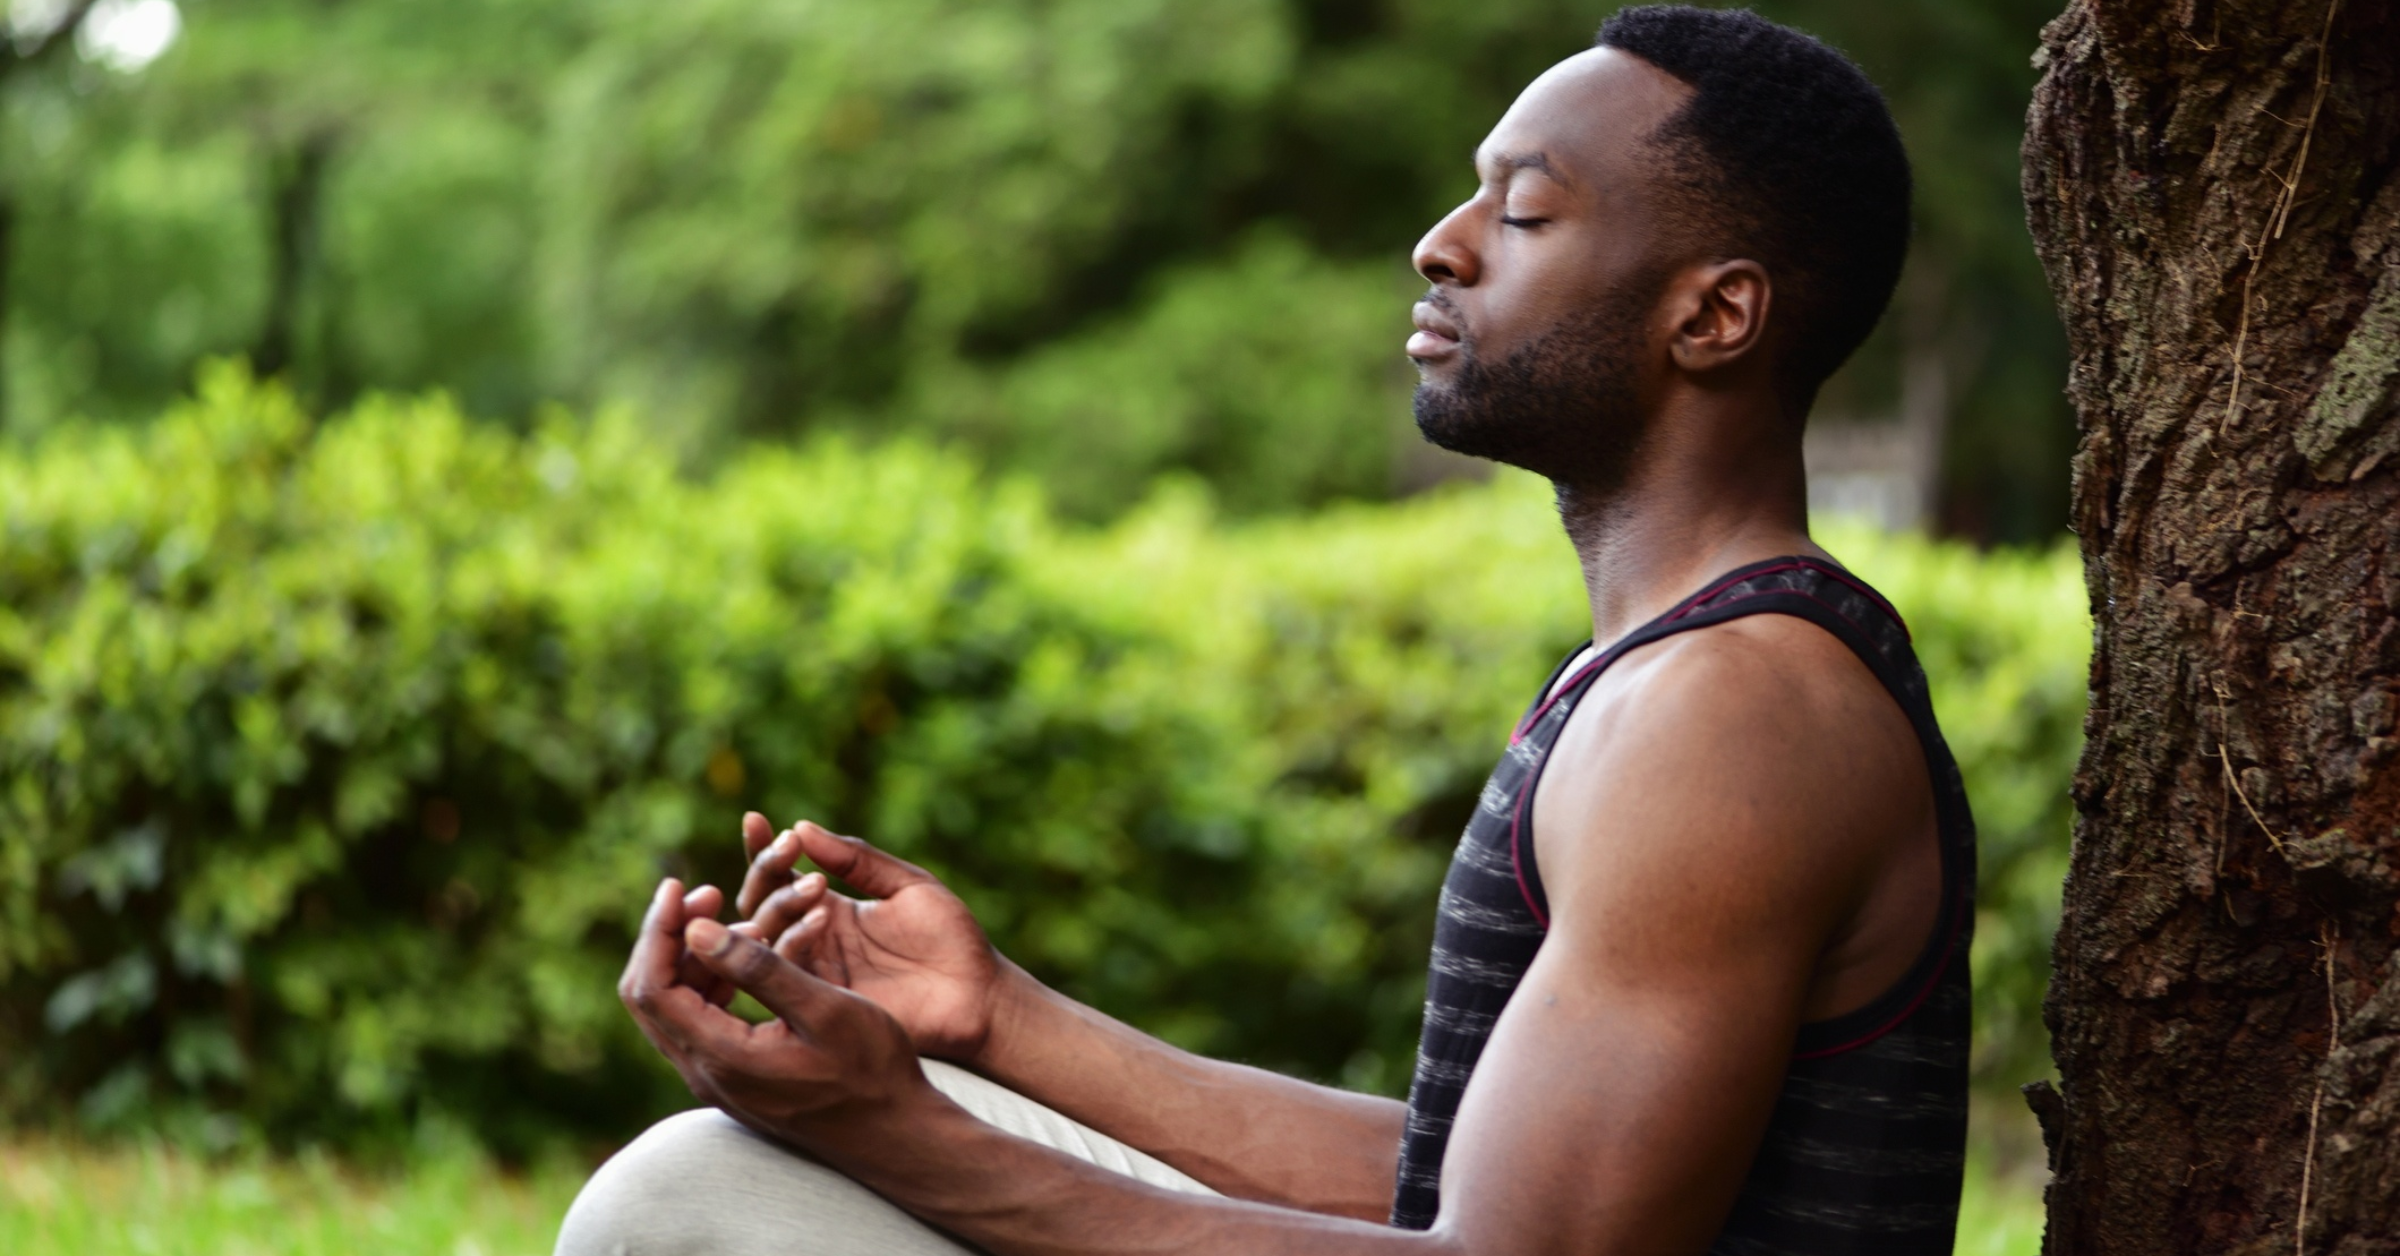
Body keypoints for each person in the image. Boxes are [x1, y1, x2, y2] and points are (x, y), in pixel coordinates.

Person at [555, 7, 1974, 1254]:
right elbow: (1455, 1179)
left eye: (1525, 213)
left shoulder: (1732, 715)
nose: (1443, 244)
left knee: (693, 1202)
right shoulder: (1684, 671)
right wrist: (996, 1020)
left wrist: (898, 1135)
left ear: (1714, 315)